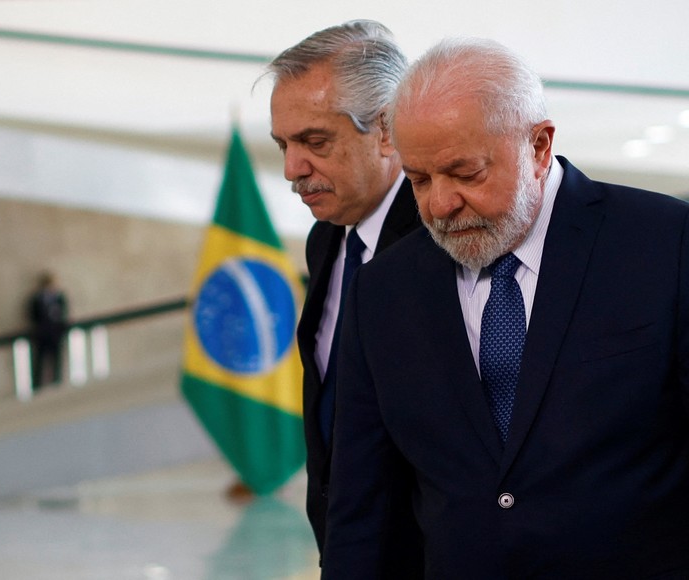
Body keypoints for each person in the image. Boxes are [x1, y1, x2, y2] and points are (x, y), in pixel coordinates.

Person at [322, 37, 689, 578]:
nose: (440, 204)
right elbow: (362, 510)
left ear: (539, 147)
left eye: (466, 173)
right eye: (419, 180)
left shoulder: (668, 245)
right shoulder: (383, 290)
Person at [267, 20, 424, 574]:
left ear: (387, 129)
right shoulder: (326, 240)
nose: (292, 169)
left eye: (315, 142)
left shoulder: (444, 242)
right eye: (283, 145)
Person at [27, 270, 69, 390]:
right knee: (39, 363)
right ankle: (37, 387)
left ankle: (57, 384)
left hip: (55, 335)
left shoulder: (59, 298)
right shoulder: (36, 300)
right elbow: (33, 316)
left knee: (56, 361)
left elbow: (63, 315)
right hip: (42, 336)